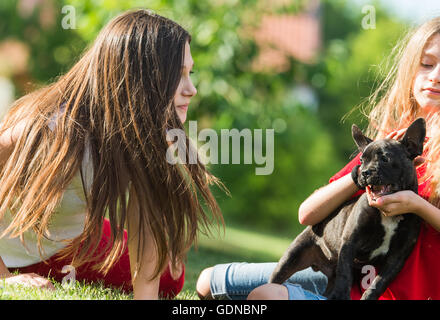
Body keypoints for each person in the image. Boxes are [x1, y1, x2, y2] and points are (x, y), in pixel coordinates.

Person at [197, 16, 440, 300]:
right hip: (344, 274)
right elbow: (307, 214)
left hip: (396, 292)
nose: (435, 76)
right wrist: (360, 176)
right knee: (207, 282)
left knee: (266, 295)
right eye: (426, 63)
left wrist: (417, 206)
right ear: (410, 67)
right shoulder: (389, 145)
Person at [0, 9, 223, 300]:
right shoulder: (48, 129)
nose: (191, 89)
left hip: (67, 242)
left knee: (169, 277)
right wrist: (5, 278)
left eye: (189, 74)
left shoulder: (141, 136)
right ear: (139, 77)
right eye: (178, 75)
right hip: (12, 250)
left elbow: (145, 221)